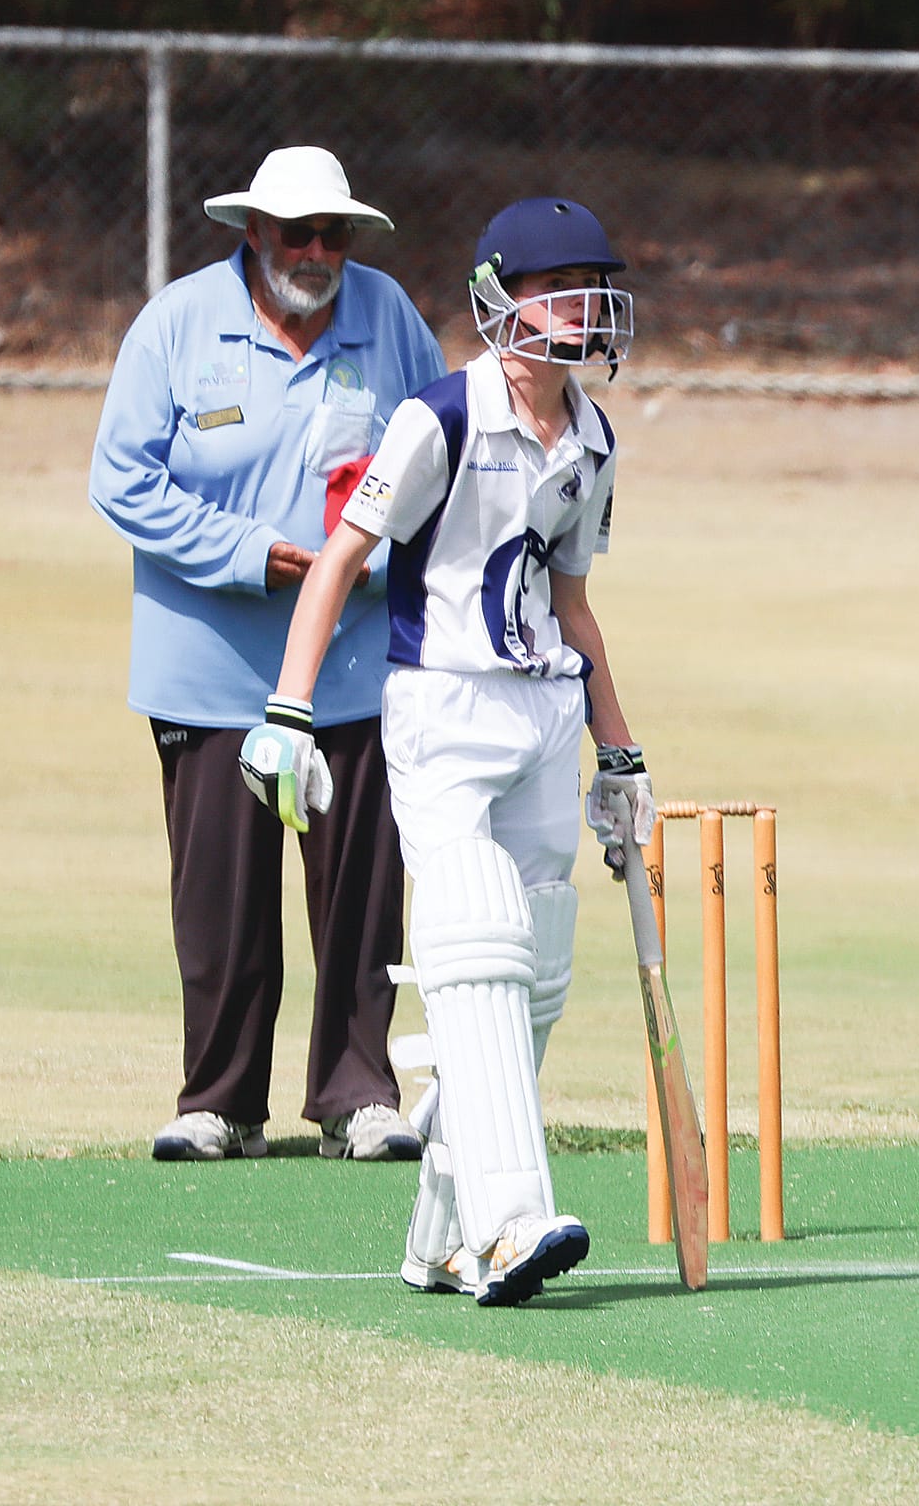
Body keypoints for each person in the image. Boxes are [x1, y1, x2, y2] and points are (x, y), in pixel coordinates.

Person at [241, 196, 653, 1307]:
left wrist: (621, 756)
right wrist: (288, 712)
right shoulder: (440, 419)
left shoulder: (594, 442)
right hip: (442, 710)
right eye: (559, 290)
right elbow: (341, 560)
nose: (584, 310)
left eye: (594, 292)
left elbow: (574, 605)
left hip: (544, 715)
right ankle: (511, 1224)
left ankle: (436, 1239)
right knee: (475, 936)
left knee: (535, 976)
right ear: (500, 301)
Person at [89, 145, 447, 1164]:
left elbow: (443, 463)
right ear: (254, 232)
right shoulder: (176, 323)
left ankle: (358, 1095)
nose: (318, 252)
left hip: (355, 663)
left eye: (335, 235)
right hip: (210, 671)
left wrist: (373, 558)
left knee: (363, 894)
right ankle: (219, 1101)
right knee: (220, 902)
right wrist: (251, 554)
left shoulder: (390, 319)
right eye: (298, 234)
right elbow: (121, 480)